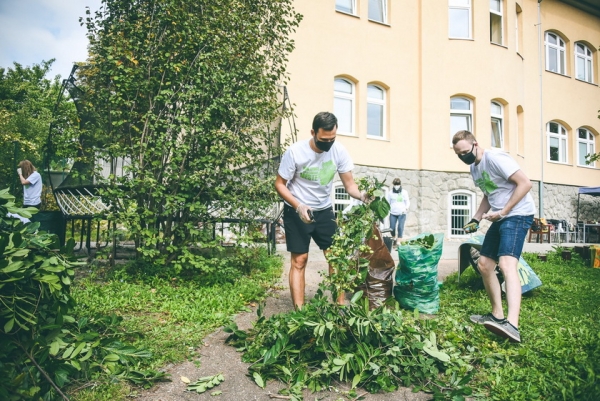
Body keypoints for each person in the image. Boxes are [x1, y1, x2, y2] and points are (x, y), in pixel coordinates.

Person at [275, 112, 367, 309]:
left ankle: (340, 307)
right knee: (300, 260)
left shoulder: (339, 151)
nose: (329, 143)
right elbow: (280, 184)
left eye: (332, 139)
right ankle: (299, 311)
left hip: (324, 210)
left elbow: (350, 186)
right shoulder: (295, 152)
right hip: (297, 209)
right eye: (324, 139)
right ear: (313, 133)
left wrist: (363, 196)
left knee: (336, 257)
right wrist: (298, 205)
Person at [452, 130, 535, 343]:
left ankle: (512, 325)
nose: (462, 157)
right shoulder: (474, 168)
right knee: (485, 264)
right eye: (458, 154)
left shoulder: (496, 158)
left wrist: (504, 211)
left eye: (464, 152)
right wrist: (476, 218)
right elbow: (489, 194)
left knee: (507, 265)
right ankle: (497, 315)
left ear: (475, 144)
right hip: (500, 216)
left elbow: (525, 183)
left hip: (517, 214)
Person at [386, 178, 410, 246]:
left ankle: (398, 241)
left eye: (398, 184)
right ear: (393, 185)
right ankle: (394, 238)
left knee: (400, 227)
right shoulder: (390, 193)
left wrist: (406, 208)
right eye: (395, 184)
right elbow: (388, 202)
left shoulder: (404, 192)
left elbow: (407, 201)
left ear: (400, 184)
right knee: (392, 228)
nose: (396, 186)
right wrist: (388, 210)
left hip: (402, 213)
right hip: (393, 213)